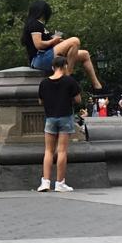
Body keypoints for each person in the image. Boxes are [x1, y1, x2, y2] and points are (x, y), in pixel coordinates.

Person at [21, 0, 103, 92]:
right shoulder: (34, 24)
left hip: (48, 55)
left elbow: (52, 42)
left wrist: (59, 41)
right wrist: (54, 41)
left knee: (85, 54)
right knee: (75, 41)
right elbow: (39, 45)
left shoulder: (42, 26)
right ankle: (67, 76)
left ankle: (98, 86)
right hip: (39, 58)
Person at [37, 55, 82, 193]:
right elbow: (78, 99)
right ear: (65, 66)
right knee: (61, 150)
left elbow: (40, 101)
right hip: (65, 117)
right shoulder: (70, 81)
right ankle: (60, 183)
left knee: (48, 151)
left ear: (52, 67)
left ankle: (45, 182)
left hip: (50, 118)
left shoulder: (44, 83)